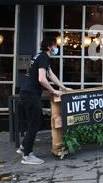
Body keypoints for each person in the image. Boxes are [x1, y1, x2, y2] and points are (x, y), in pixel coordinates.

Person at [17, 37, 71, 165]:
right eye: (55, 45)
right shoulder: (44, 57)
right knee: (35, 123)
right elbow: (42, 79)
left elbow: (50, 74)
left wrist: (62, 87)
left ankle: (24, 147)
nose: (56, 48)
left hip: (28, 92)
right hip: (30, 93)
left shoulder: (40, 56)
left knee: (35, 121)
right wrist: (53, 90)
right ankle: (27, 155)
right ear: (49, 47)